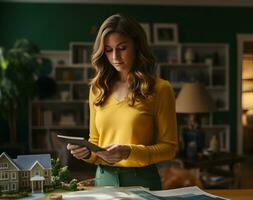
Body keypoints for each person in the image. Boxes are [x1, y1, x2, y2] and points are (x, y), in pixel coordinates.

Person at [67, 13, 178, 190]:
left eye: (122, 48)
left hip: (142, 181)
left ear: (136, 46)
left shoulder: (160, 89)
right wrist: (86, 153)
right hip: (104, 181)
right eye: (109, 50)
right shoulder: (97, 89)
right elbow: (95, 141)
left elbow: (170, 148)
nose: (115, 57)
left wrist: (129, 151)